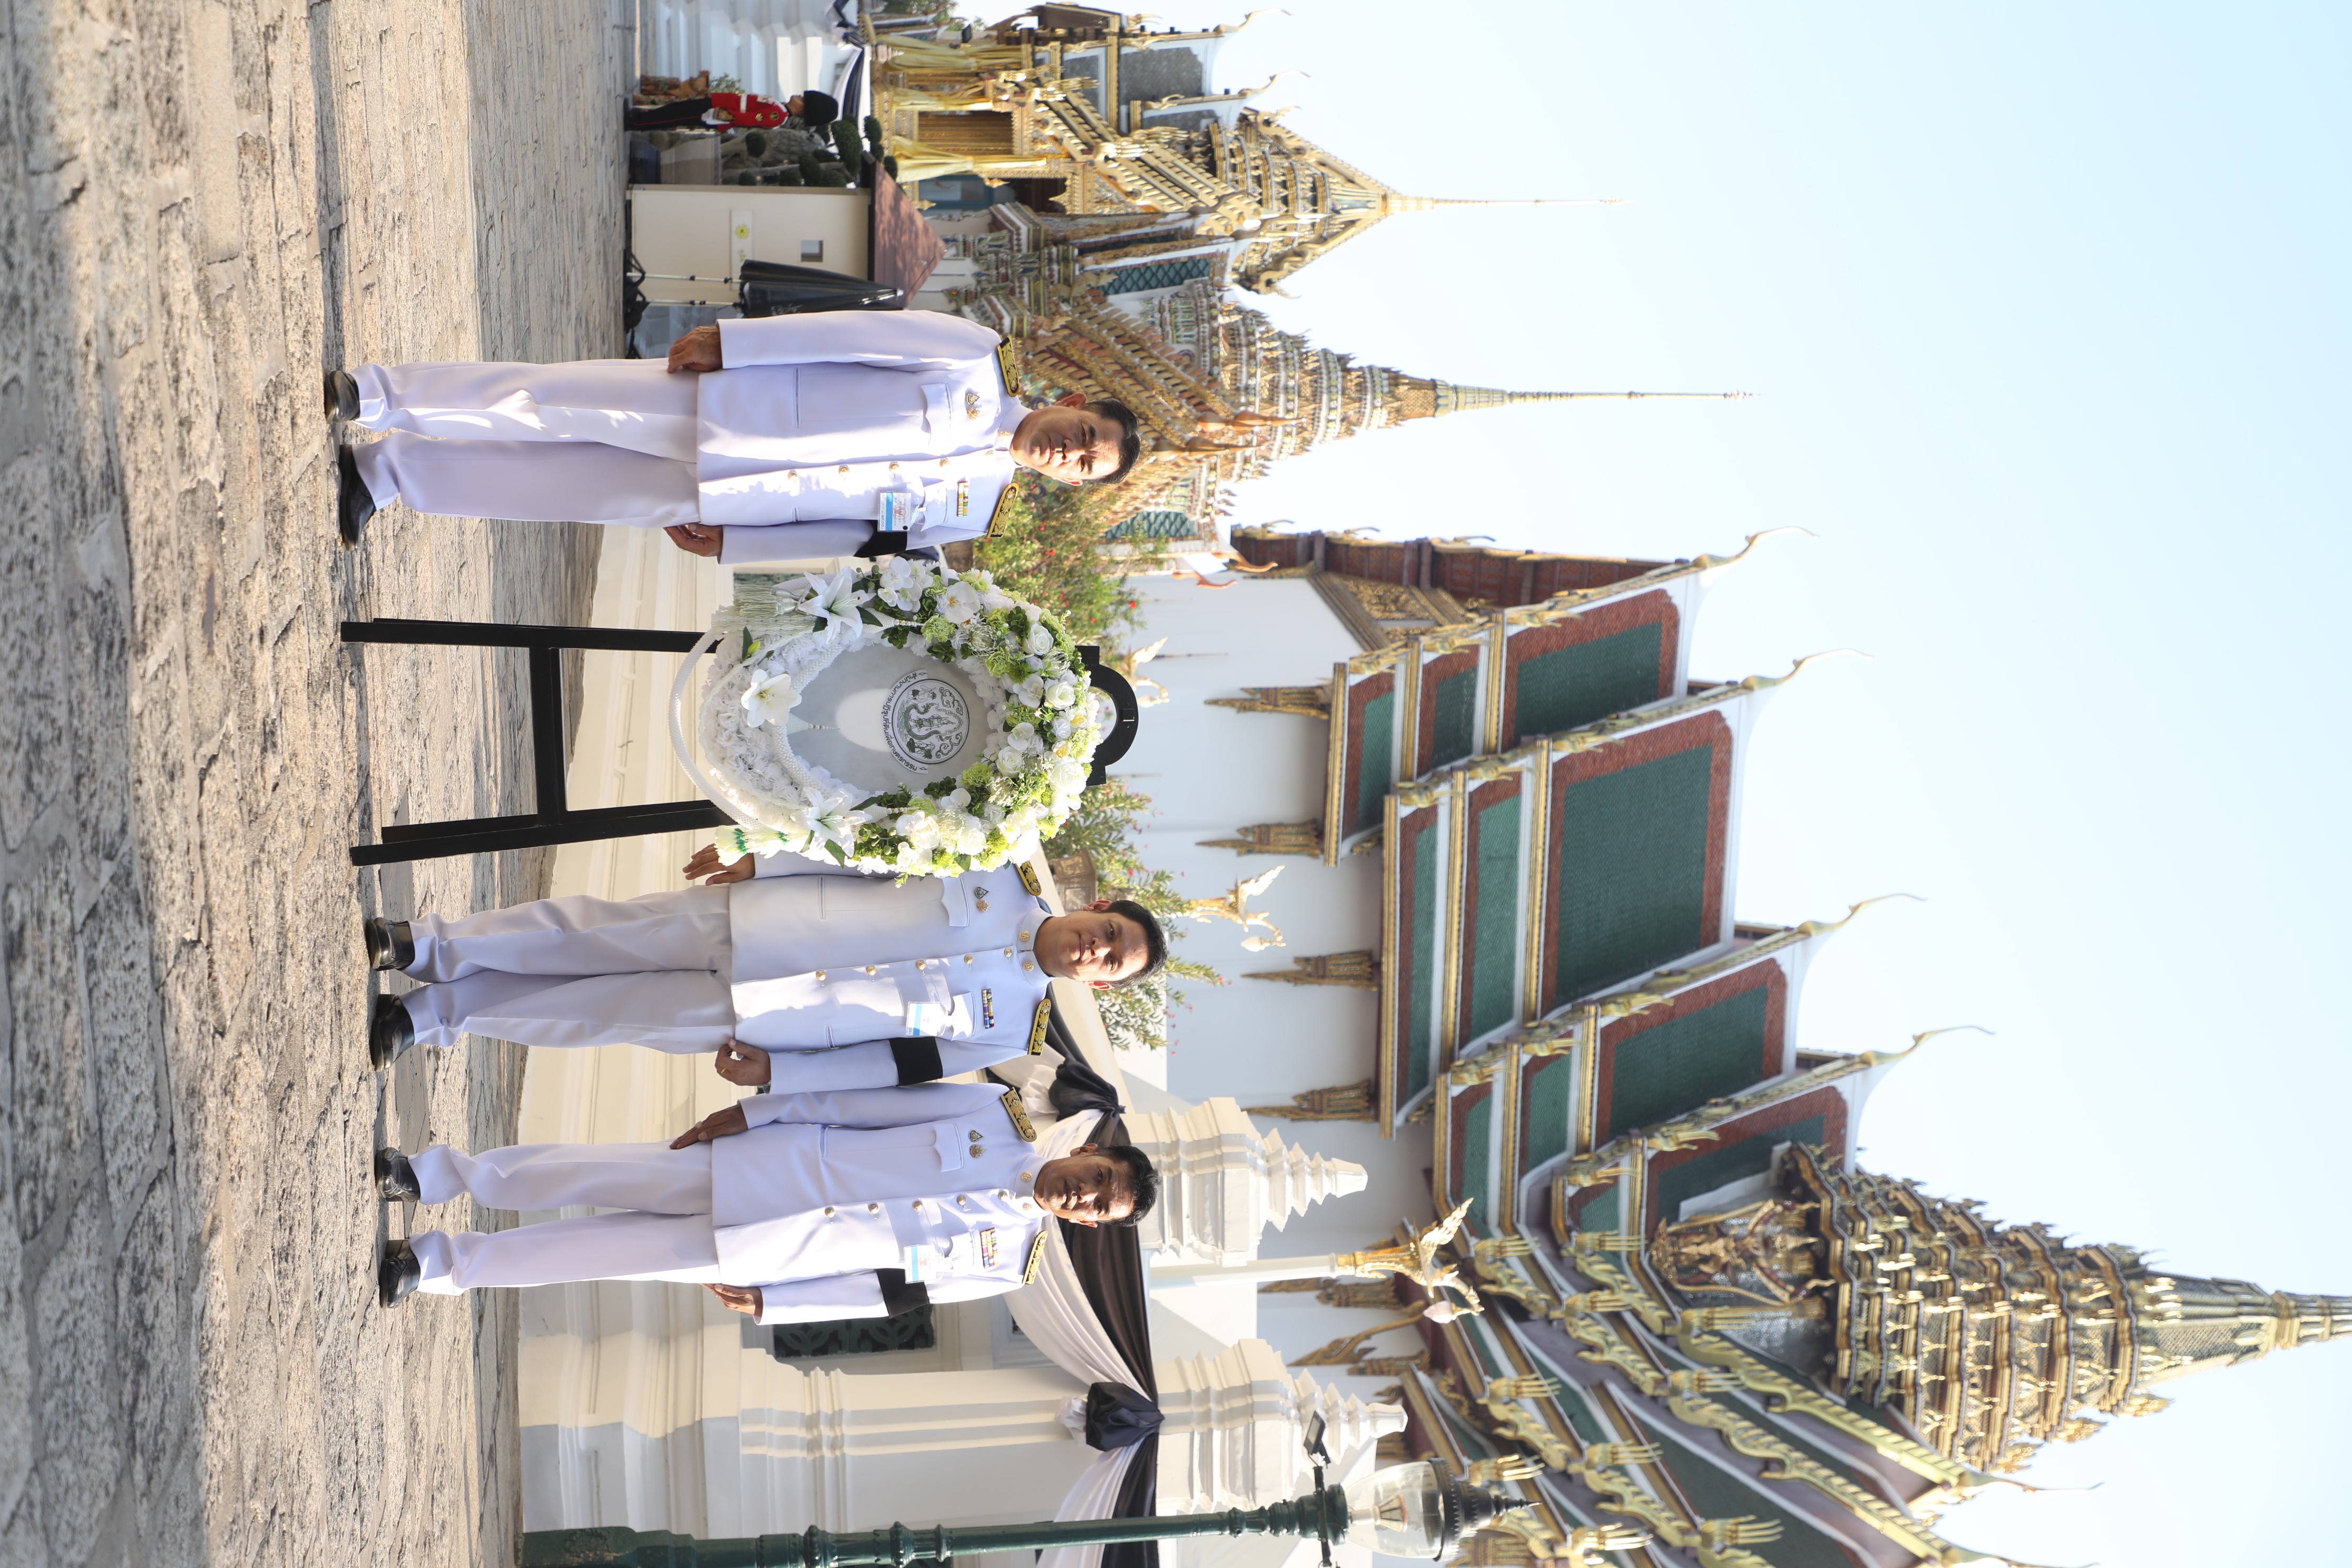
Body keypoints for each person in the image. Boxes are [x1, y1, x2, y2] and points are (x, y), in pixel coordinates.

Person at [325, 309, 1143, 562]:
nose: (1071, 452)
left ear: (1070, 484)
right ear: (1070, 401)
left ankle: (389, 475)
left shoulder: (970, 513)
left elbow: (860, 535)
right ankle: (382, 394)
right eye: (1083, 434)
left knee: (556, 490)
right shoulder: (970, 357)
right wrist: (738, 343)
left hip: (734, 495)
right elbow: (850, 332)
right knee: (548, 398)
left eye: (1083, 466)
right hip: (728, 403)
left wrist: (737, 547)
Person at [361, 846, 1167, 1083]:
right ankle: (428, 947)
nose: (1100, 950)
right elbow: (867, 851)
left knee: (595, 1015)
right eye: (1111, 934)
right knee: (586, 935)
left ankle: (432, 1017)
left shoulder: (1009, 1033)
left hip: (776, 1022)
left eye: (1112, 965)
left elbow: (891, 1065)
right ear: (1101, 908)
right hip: (761, 921)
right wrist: (767, 860)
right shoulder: (999, 868)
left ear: (1099, 985)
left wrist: (785, 1077)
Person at [371, 1079, 1159, 1317]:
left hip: (770, 1251)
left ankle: (434, 1265)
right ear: (1088, 1153)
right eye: (1099, 1180)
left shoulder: (1008, 1263)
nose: (1087, 1198)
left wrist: (780, 1304)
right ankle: (436, 1175)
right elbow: (860, 1103)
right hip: (760, 1167)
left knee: (583, 1256)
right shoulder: (995, 1112)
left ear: (1092, 1226)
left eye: (1100, 1209)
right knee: (585, 1170)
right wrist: (755, 1111)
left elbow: (891, 1294)